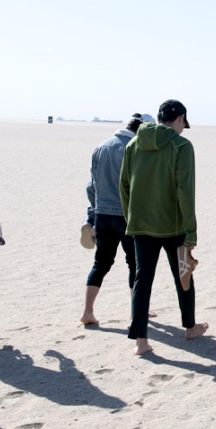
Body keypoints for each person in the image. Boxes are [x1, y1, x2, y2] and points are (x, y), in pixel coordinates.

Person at [120, 100, 207, 355]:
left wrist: (131, 217)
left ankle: (141, 342)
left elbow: (124, 185)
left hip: (141, 224)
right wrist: (191, 231)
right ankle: (190, 328)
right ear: (180, 118)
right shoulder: (181, 145)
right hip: (174, 225)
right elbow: (185, 190)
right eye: (183, 124)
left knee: (142, 280)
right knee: (184, 275)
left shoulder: (133, 143)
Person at [80, 113, 154, 325]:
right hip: (128, 216)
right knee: (136, 264)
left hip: (102, 214)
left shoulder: (101, 147)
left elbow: (90, 186)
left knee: (100, 264)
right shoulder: (135, 148)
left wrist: (93, 213)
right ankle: (137, 311)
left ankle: (88, 311)